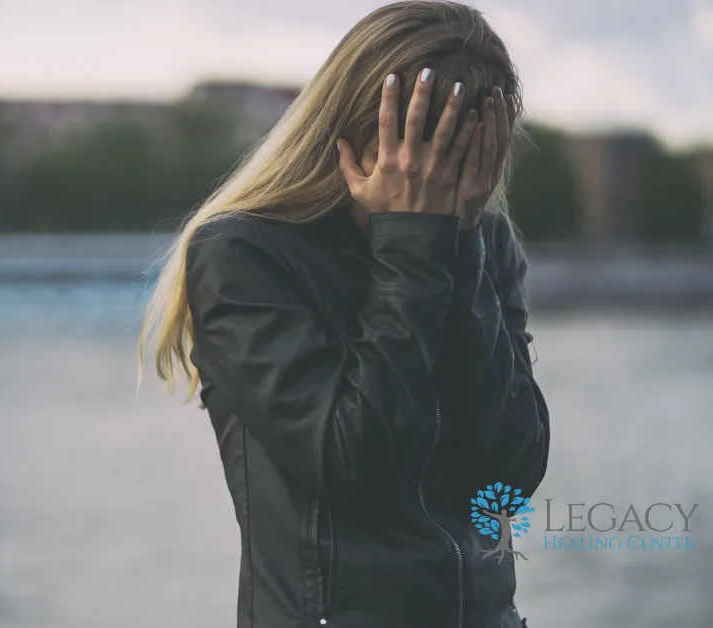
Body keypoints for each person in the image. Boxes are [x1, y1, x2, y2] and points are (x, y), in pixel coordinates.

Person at [137, 2, 551, 627]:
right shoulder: (244, 255)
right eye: (422, 155)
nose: (437, 183)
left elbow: (512, 471)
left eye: (460, 162)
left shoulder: (483, 244)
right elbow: (353, 464)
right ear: (360, 138)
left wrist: (456, 246)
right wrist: (413, 243)